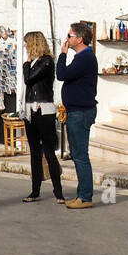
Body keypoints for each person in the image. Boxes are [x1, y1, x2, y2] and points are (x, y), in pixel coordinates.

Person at [55, 22, 97, 209]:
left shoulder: (85, 57)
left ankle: (85, 197)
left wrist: (63, 54)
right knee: (78, 154)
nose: (67, 38)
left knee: (80, 155)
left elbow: (62, 74)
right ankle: (83, 194)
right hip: (76, 110)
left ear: (79, 39)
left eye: (70, 35)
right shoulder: (83, 57)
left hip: (80, 112)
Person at [21, 32, 63, 203]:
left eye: (26, 43)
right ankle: (35, 190)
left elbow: (28, 79)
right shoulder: (34, 62)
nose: (25, 46)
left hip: (44, 109)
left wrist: (26, 64)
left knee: (48, 151)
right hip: (30, 109)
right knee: (34, 153)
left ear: (33, 44)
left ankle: (58, 192)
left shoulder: (46, 61)